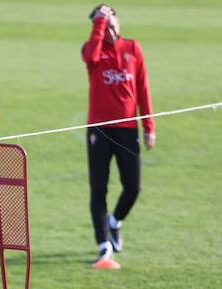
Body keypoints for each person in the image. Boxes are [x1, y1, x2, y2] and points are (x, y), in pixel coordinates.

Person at [82, 4, 156, 263]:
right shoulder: (93, 50)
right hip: (99, 130)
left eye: (113, 24)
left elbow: (143, 89)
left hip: (126, 130)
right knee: (98, 189)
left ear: (120, 24)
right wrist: (99, 25)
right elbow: (90, 56)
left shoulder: (133, 48)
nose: (110, 31)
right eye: (104, 26)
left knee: (133, 186)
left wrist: (149, 126)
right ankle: (104, 244)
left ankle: (115, 222)